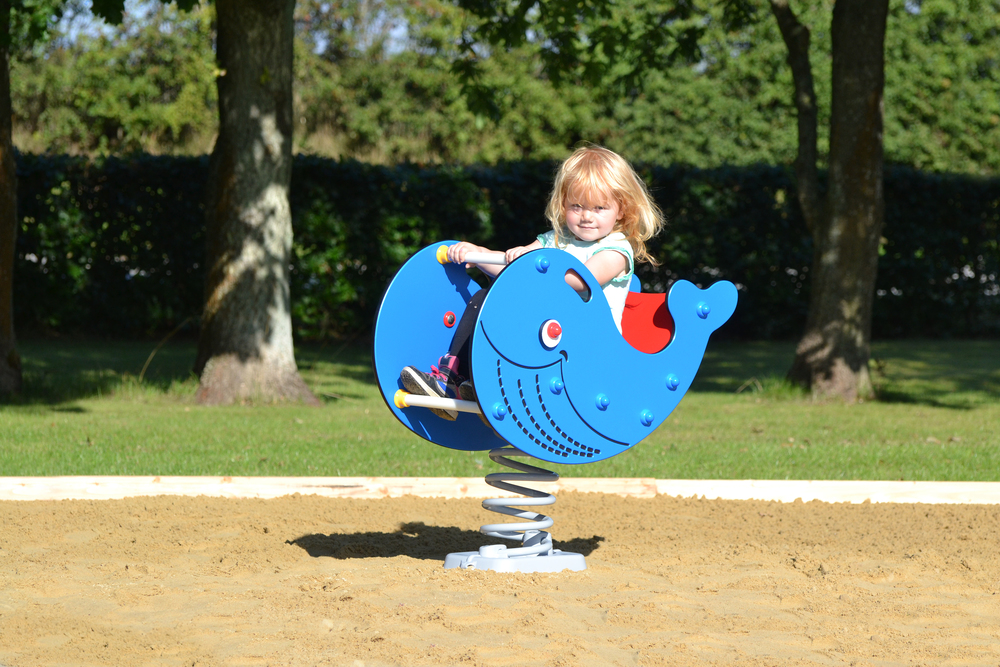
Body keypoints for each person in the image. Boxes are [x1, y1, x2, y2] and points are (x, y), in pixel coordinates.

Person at [401, 144, 665, 419]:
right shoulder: (555, 240)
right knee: (485, 299)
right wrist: (479, 254)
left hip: (588, 346)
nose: (587, 216)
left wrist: (528, 267)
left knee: (518, 313)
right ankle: (453, 378)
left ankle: (488, 385)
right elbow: (510, 268)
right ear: (563, 204)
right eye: (577, 206)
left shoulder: (616, 250)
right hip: (550, 332)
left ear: (621, 209)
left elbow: (579, 281)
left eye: (599, 207)